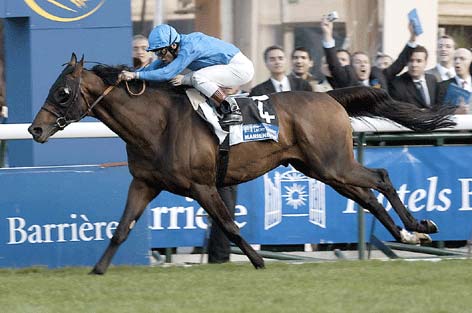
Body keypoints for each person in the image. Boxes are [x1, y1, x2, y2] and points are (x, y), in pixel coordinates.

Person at [120, 24, 254, 126]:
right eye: (156, 53)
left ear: (172, 46)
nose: (160, 57)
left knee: (195, 78)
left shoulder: (189, 47)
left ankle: (231, 109)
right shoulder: (176, 46)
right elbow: (155, 67)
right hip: (225, 68)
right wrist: (132, 74)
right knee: (190, 79)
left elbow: (167, 73)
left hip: (239, 68)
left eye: (160, 52)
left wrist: (135, 76)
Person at [321, 15, 418, 91]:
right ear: (351, 66)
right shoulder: (346, 78)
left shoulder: (379, 75)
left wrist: (413, 37)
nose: (363, 64)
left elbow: (399, 63)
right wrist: (327, 34)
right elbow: (333, 63)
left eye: (366, 62)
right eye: (358, 62)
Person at [437, 48, 472, 114]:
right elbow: (437, 112)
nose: (457, 61)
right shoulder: (443, 86)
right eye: (455, 59)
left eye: (462, 58)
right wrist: (455, 112)